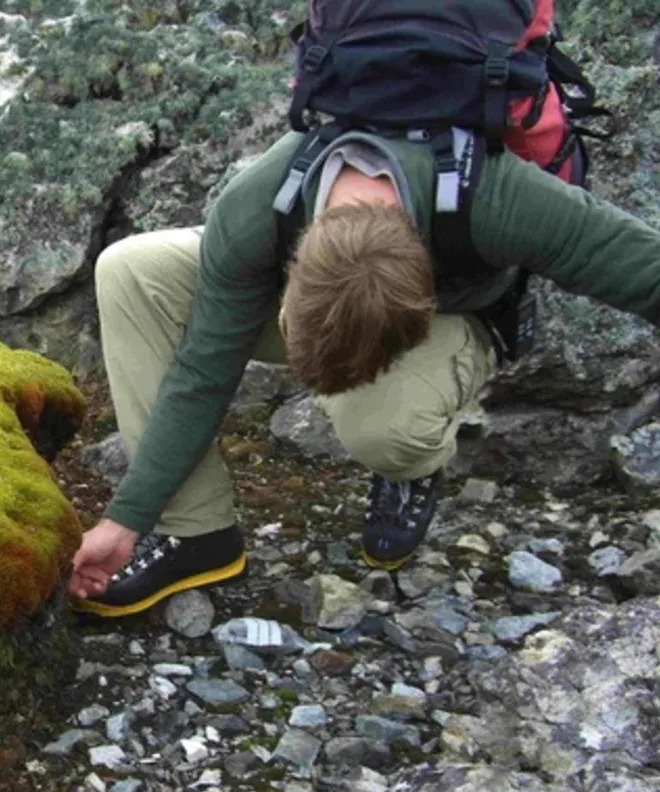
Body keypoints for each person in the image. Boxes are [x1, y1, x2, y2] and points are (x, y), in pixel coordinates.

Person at [66, 125, 660, 618]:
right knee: (132, 268)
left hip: (454, 318)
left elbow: (641, 267)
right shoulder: (258, 206)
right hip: (301, 280)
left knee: (381, 428)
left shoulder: (498, 199)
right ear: (292, 273)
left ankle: (410, 465)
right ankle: (194, 532)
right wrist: (128, 518)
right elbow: (204, 371)